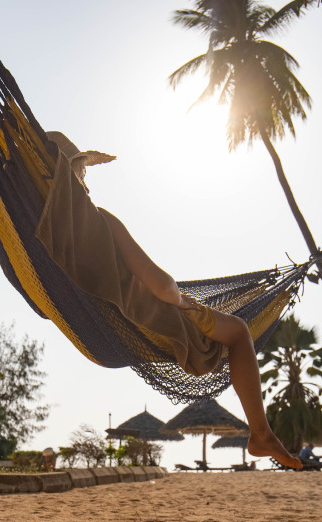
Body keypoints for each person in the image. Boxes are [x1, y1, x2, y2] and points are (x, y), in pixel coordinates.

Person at [47, 131, 303, 471]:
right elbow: (161, 284)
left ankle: (262, 434)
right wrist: (184, 302)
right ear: (69, 177)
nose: (87, 186)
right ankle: (261, 433)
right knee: (240, 331)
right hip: (157, 318)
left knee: (233, 330)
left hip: (97, 325)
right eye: (81, 175)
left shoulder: (47, 236)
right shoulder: (100, 221)